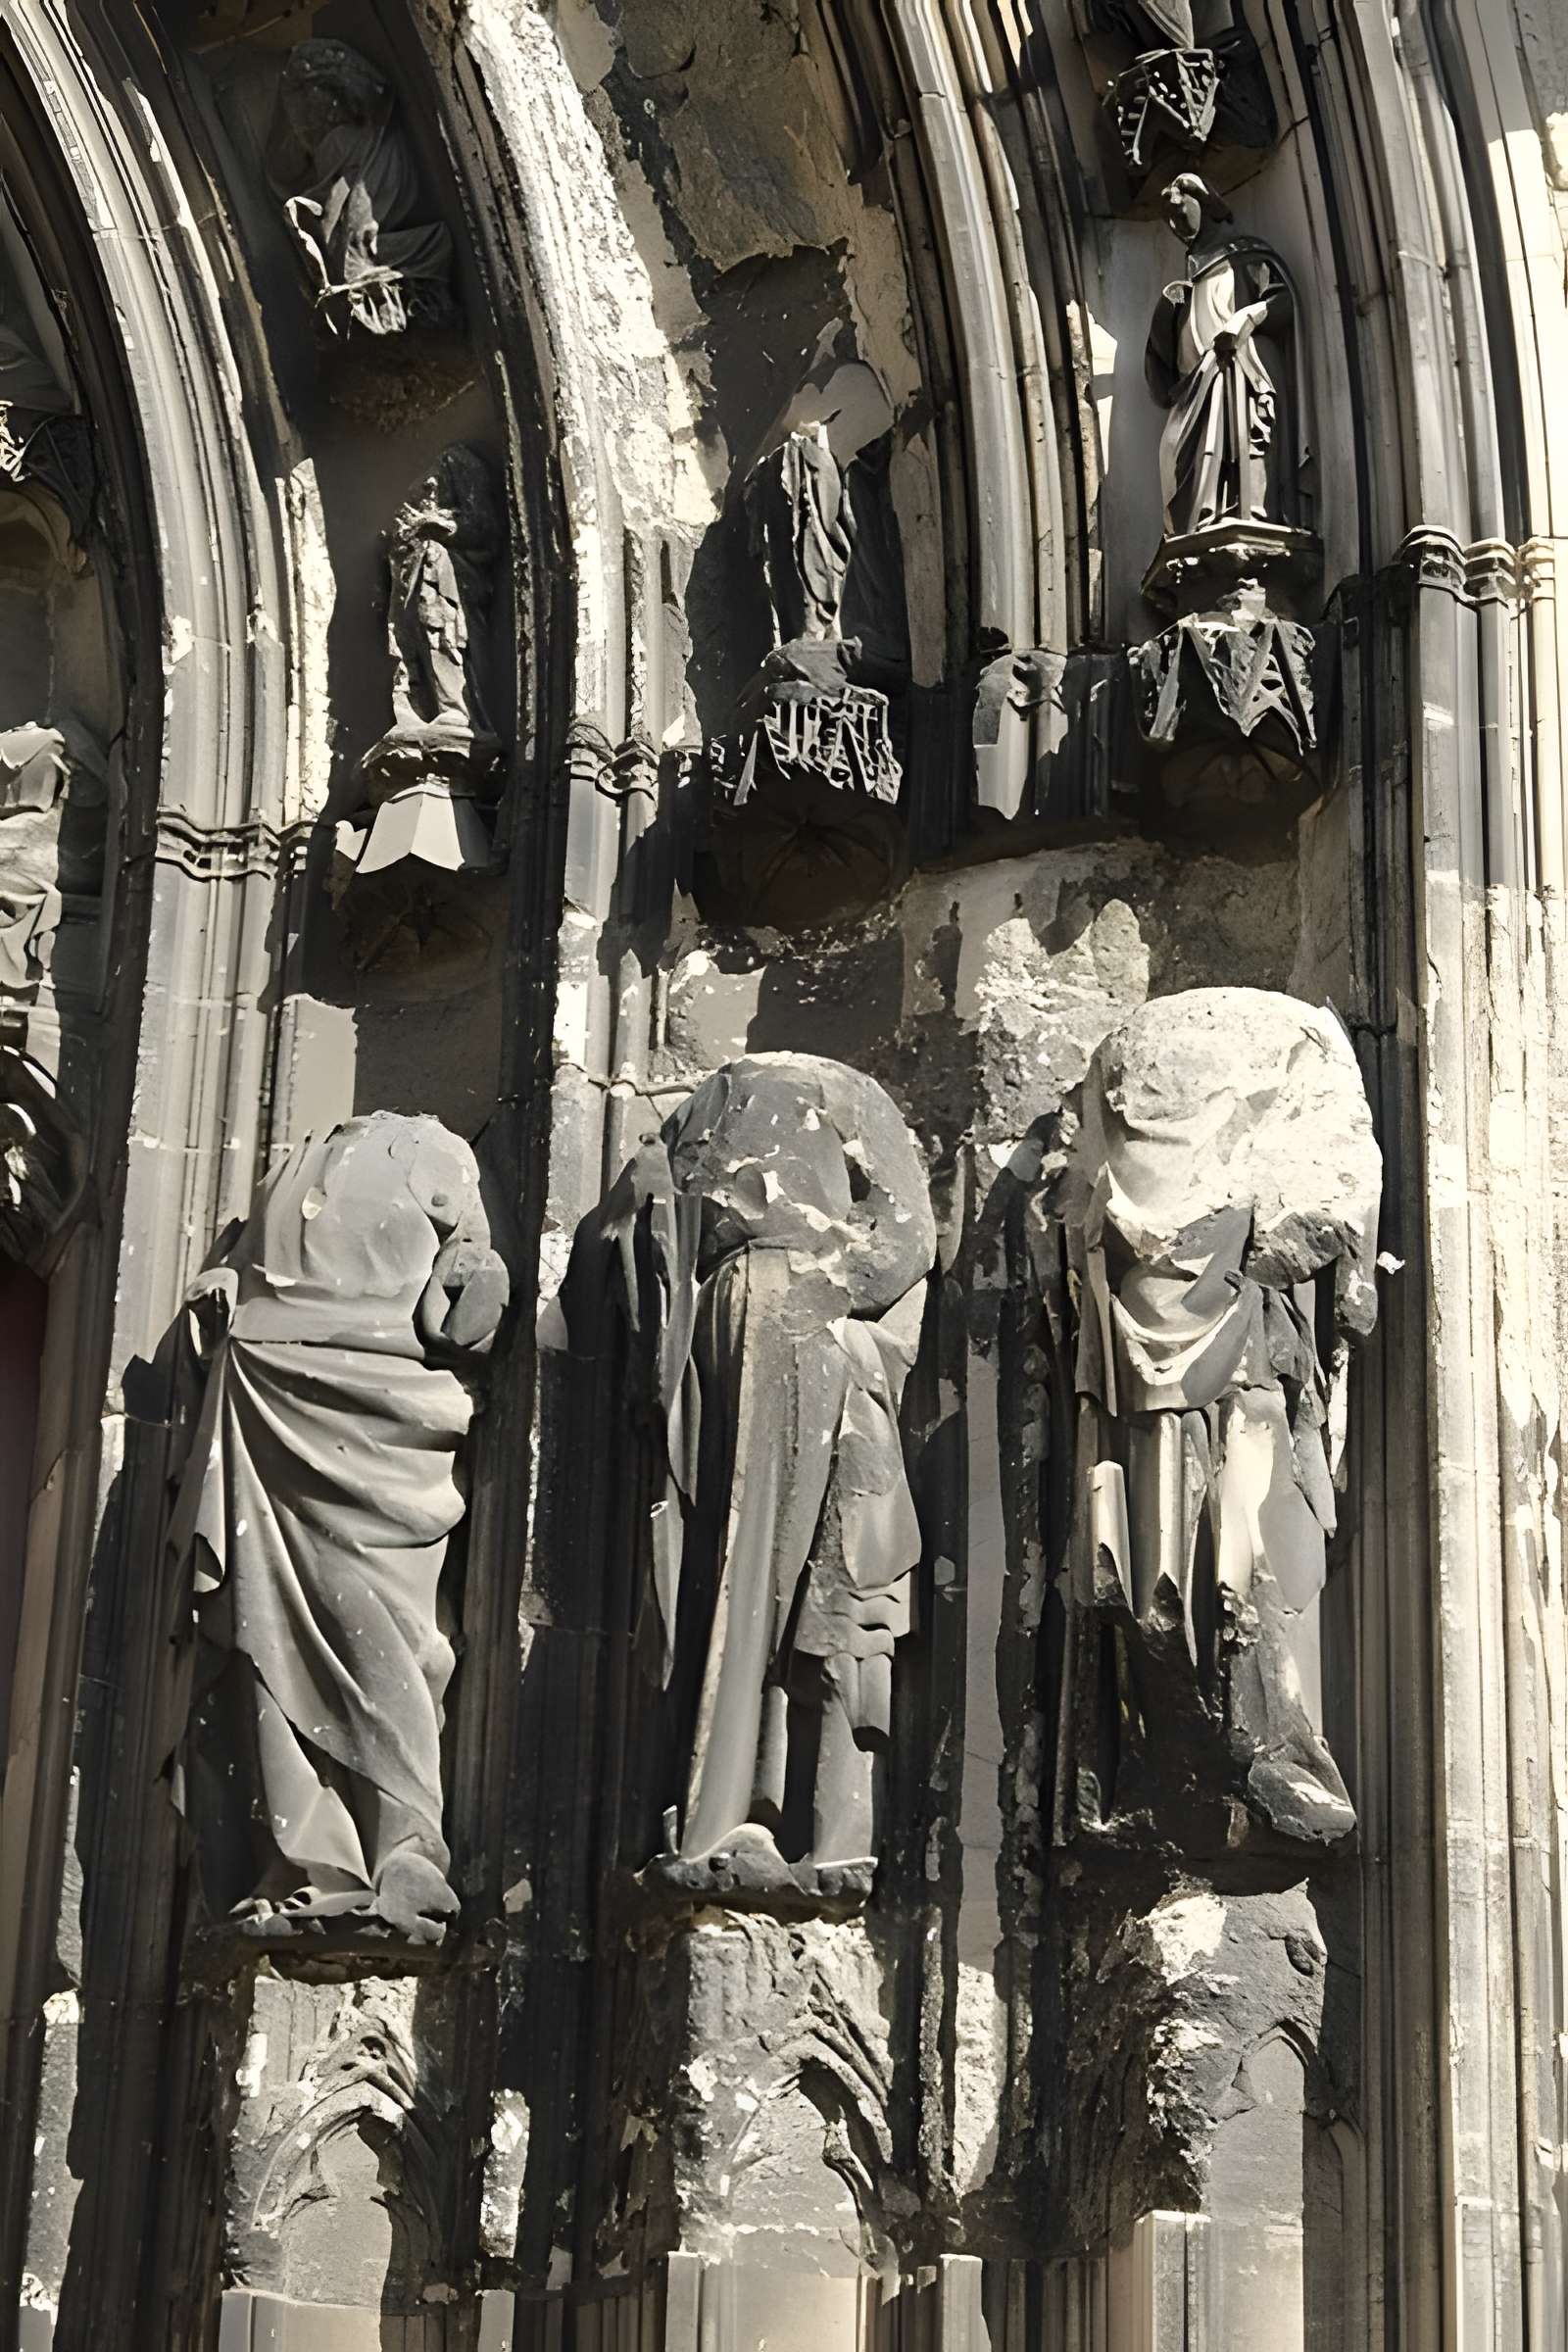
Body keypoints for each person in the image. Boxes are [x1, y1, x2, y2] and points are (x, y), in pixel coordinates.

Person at [564, 1054, 935, 1898]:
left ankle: (808, 1821)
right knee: (725, 1573)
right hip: (721, 1339)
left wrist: (821, 1282)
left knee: (824, 1585)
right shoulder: (696, 1113)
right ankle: (721, 1806)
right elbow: (636, 1241)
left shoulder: (850, 1093)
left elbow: (907, 1236)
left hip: (808, 1326)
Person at [171, 1112, 508, 1941]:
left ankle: (405, 1845)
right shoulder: (292, 1168)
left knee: (383, 1626)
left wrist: (474, 1274)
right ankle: (304, 1858)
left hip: (378, 1410)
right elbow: (241, 1272)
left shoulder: (443, 1159)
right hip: (265, 1390)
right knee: (258, 1626)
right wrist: (220, 1288)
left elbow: (467, 1318)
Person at [1145, 173, 1301, 539]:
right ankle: (1192, 531)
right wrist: (1164, 317)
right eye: (1169, 220)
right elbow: (1162, 381)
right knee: (1173, 456)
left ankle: (1247, 518)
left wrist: (1246, 316)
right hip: (1191, 394)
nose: (1175, 226)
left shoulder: (1245, 257)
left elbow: (1283, 302)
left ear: (1204, 204)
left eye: (1181, 212)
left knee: (1241, 438)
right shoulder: (1183, 290)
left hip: (1234, 376)